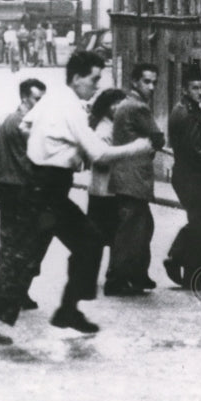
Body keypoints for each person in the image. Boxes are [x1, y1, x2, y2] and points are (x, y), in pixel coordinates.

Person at [0, 51, 155, 340]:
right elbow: (99, 153)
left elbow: (26, 125)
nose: (97, 84)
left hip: (44, 186)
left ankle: (67, 310)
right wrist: (140, 146)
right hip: (47, 188)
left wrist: (53, 145)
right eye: (93, 78)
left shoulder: (53, 100)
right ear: (77, 78)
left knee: (80, 244)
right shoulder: (71, 108)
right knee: (29, 258)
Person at [0, 78, 48, 339]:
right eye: (37, 99)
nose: (40, 105)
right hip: (22, 192)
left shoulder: (7, 121)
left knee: (13, 246)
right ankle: (6, 300)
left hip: (9, 191)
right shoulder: (22, 125)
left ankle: (15, 295)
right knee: (22, 249)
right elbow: (32, 161)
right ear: (25, 97)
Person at [105, 63, 165, 296]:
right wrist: (152, 144)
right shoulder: (138, 107)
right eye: (146, 82)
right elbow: (158, 137)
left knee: (142, 226)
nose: (152, 87)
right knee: (131, 230)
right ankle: (117, 279)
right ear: (135, 83)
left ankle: (136, 274)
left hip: (125, 177)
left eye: (154, 82)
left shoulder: (125, 105)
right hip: (133, 178)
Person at [165, 65, 201, 292]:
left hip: (186, 174)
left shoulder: (184, 109)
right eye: (195, 88)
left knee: (198, 225)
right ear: (185, 89)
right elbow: (194, 151)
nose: (200, 92)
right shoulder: (188, 114)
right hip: (192, 176)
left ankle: (189, 272)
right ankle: (189, 271)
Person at [87, 89, 128, 275]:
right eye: (113, 104)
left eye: (120, 103)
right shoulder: (104, 129)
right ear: (105, 107)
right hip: (104, 190)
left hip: (107, 189)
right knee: (104, 234)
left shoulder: (115, 126)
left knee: (110, 235)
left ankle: (108, 271)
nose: (117, 107)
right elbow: (100, 158)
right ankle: (104, 272)